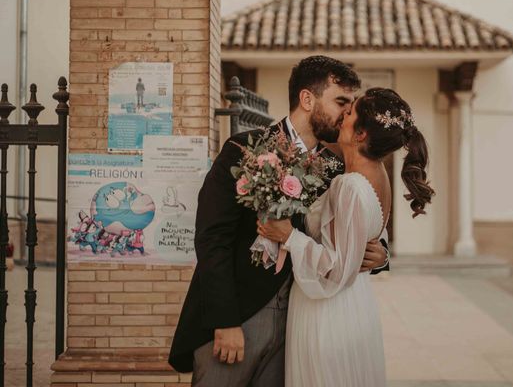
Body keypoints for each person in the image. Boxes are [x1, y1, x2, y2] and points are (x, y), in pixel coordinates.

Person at [168, 56, 391, 386]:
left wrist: (381, 255)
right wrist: (225, 320)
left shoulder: (335, 169)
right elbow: (212, 238)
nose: (346, 113)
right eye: (340, 101)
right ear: (307, 99)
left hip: (301, 327)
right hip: (239, 318)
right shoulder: (243, 150)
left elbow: (355, 222)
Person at [258, 87, 435, 386]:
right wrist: (382, 253)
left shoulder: (351, 185)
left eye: (350, 111)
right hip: (354, 304)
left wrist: (289, 236)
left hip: (328, 311)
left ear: (362, 134)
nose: (342, 115)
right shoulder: (377, 177)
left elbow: (337, 268)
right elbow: (364, 235)